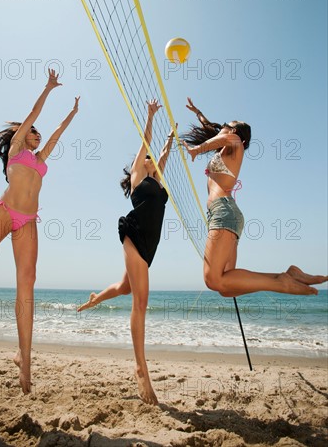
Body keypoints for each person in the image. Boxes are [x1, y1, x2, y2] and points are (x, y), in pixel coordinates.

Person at [0, 69, 80, 394]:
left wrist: (72, 113)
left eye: (36, 133)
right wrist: (48, 89)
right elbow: (33, 115)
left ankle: (24, 359)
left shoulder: (41, 159)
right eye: (32, 132)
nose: (37, 134)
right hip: (4, 213)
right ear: (22, 134)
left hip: (27, 221)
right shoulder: (15, 149)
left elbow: (56, 133)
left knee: (27, 282)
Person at [78, 100, 174, 405]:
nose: (151, 159)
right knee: (140, 302)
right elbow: (146, 143)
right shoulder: (137, 176)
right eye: (147, 158)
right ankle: (140, 369)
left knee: (125, 287)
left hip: (151, 243)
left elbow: (161, 155)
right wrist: (150, 115)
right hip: (134, 234)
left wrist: (170, 141)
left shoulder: (157, 181)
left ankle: (97, 297)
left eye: (152, 159)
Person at [181, 97, 327, 297]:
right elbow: (213, 129)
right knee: (226, 288)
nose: (221, 127)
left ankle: (281, 283)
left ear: (233, 132)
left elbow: (223, 137)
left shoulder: (235, 144)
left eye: (226, 125)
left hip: (223, 212)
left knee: (213, 280)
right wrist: (197, 112)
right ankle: (285, 276)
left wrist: (197, 149)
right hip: (226, 214)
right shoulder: (224, 149)